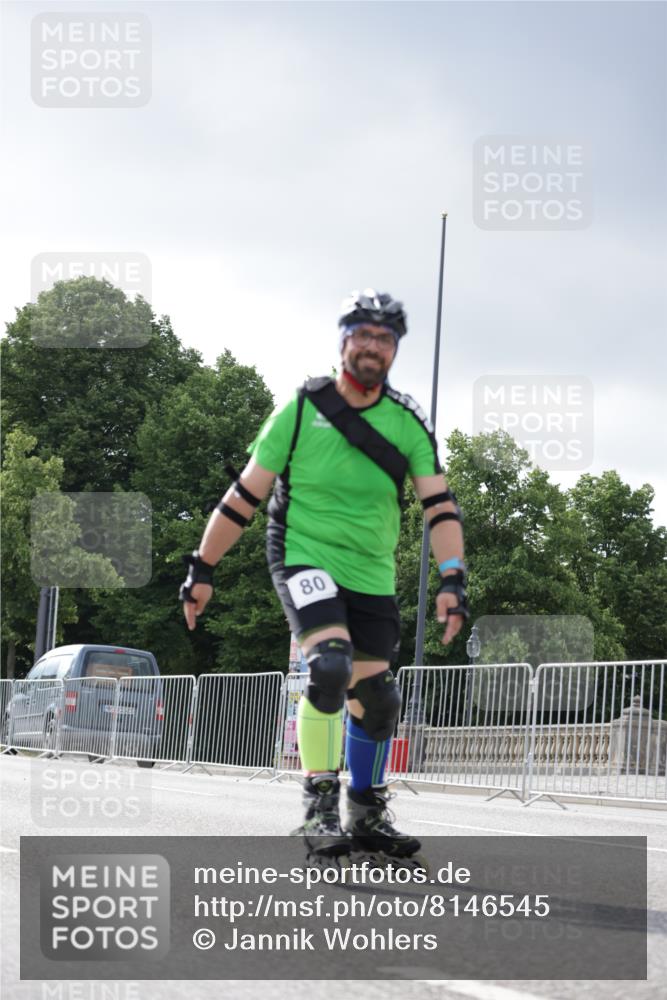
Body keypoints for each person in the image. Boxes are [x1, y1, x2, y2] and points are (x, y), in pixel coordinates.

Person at [179, 289, 468, 863]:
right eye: (362, 334)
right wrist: (201, 567)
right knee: (329, 665)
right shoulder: (302, 409)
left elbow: (440, 507)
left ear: (394, 351)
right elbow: (244, 496)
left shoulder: (407, 422)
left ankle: (366, 810)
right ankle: (318, 802)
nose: (372, 346)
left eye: (384, 338)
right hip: (304, 556)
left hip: (370, 572)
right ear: (342, 340)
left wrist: (452, 581)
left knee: (378, 700)